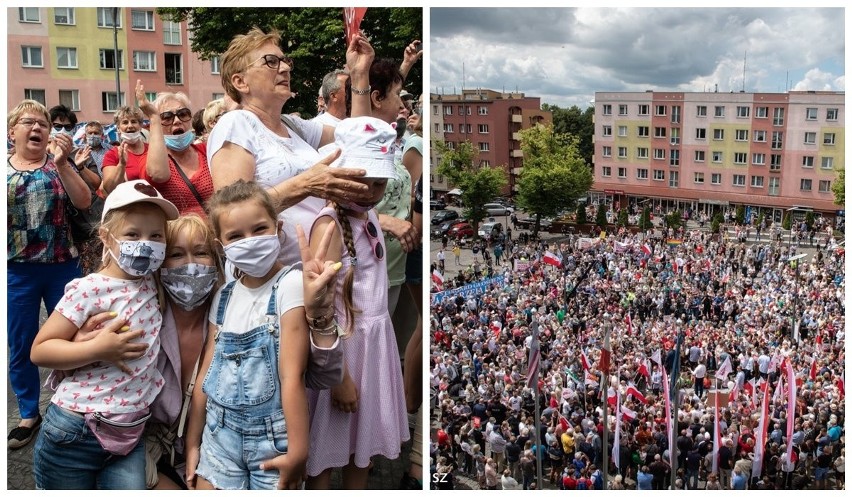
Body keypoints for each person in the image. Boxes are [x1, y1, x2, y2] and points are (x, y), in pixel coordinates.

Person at [30, 179, 179, 488]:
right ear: (106, 237)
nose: (146, 244)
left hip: (131, 431)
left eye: (156, 236)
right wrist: (97, 348)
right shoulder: (89, 289)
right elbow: (41, 350)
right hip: (76, 428)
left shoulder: (153, 281)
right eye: (132, 234)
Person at [184, 180, 319, 490]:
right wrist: (193, 443)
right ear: (221, 245)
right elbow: (207, 372)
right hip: (218, 437)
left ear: (277, 228)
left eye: (259, 229)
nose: (250, 241)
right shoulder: (225, 295)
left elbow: (291, 375)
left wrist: (298, 451)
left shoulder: (290, 284)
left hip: (272, 442)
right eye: (235, 236)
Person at [208, 27, 376, 266]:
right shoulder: (235, 124)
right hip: (275, 282)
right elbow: (231, 213)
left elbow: (360, 136)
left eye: (285, 61)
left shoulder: (294, 126)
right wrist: (307, 184)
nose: (285, 68)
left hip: (318, 276)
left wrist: (359, 75)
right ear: (240, 81)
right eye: (271, 62)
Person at [305, 117, 409, 489]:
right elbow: (319, 311)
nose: (369, 191)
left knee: (359, 452)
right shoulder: (330, 226)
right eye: (360, 181)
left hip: (372, 348)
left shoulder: (366, 215)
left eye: (378, 183)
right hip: (345, 355)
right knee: (324, 455)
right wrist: (338, 378)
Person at [7, 99, 92, 450]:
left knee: (74, 337)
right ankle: (29, 412)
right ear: (12, 132)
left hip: (63, 267)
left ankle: (74, 402)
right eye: (29, 121)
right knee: (22, 343)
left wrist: (63, 164)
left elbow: (85, 202)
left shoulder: (59, 164)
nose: (39, 127)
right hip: (16, 272)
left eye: (43, 122)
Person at [136, 82, 214, 217]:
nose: (177, 121)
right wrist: (154, 117)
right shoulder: (150, 160)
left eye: (183, 114)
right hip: (176, 236)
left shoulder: (207, 150)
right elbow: (158, 175)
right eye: (167, 117)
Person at [101, 105, 148, 194]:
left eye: (134, 121)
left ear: (140, 126)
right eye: (125, 122)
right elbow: (109, 188)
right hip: (129, 206)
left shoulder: (152, 150)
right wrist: (122, 165)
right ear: (118, 128)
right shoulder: (112, 154)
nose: (130, 126)